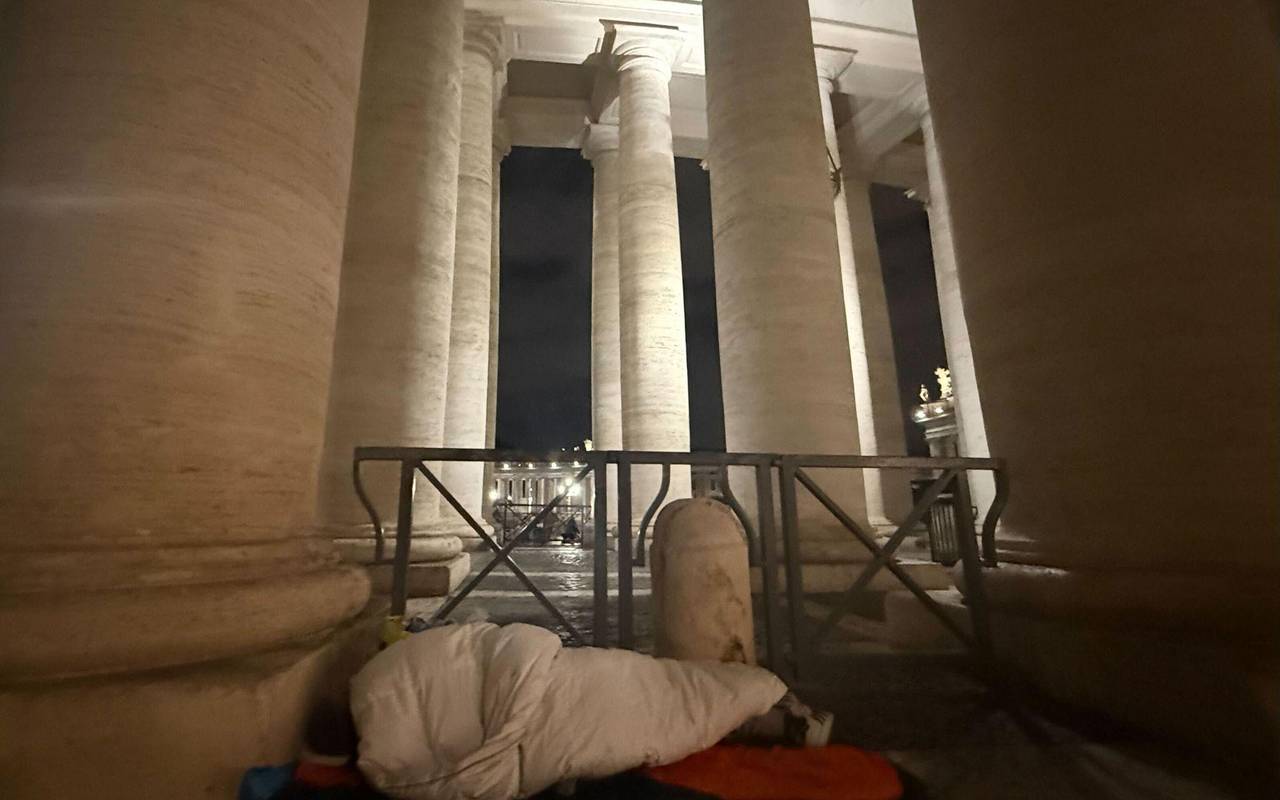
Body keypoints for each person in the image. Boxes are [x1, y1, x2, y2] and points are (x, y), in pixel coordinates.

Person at [349, 621, 831, 800]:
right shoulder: (385, 674)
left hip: (539, 680)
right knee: (663, 692)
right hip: (544, 688)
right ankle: (767, 705)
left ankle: (765, 708)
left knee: (662, 694)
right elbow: (468, 644)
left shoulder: (385, 697)